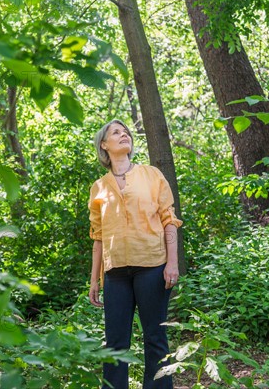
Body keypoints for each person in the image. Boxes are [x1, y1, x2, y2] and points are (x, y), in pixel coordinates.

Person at [88, 119, 182, 389]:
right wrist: (94, 280)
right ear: (104, 146)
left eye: (126, 131)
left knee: (155, 337)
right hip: (115, 273)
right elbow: (98, 237)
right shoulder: (99, 187)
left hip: (152, 266)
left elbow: (168, 220)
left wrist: (172, 263)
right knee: (115, 342)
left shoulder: (151, 175)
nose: (123, 134)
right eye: (115, 133)